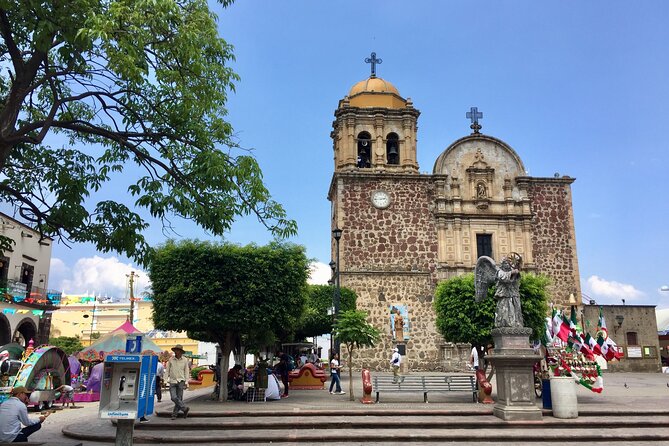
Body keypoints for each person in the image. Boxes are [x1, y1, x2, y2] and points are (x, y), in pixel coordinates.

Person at [166, 344, 190, 420]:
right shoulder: (171, 359)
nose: (177, 352)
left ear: (181, 352)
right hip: (172, 381)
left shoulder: (185, 360)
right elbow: (167, 371)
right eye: (176, 350)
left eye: (178, 351)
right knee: (173, 397)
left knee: (179, 398)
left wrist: (186, 382)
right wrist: (165, 380)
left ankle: (174, 415)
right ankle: (184, 408)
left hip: (181, 381)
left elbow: (186, 371)